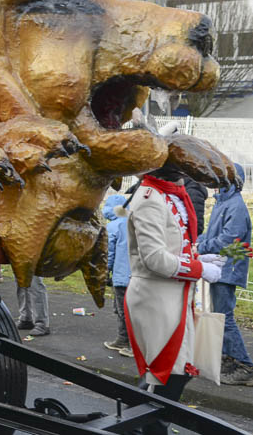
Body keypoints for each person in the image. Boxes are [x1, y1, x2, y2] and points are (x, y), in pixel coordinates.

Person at [125, 166, 227, 435]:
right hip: (156, 297)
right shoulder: (150, 197)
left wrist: (198, 260)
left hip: (176, 295)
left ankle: (139, 427)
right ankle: (145, 429)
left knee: (168, 374)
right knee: (169, 372)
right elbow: (155, 259)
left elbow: (173, 246)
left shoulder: (169, 193)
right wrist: (199, 270)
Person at [198, 165, 253, 385]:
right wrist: (199, 241)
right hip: (219, 267)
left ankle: (244, 365)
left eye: (220, 180)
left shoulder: (235, 206)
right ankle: (229, 359)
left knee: (224, 317)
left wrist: (201, 247)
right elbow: (213, 235)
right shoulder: (224, 203)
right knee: (219, 316)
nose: (215, 184)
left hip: (227, 268)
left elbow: (228, 240)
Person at [102, 193, 133, 357]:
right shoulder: (134, 222)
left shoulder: (113, 226)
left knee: (122, 310)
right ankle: (124, 340)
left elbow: (109, 253)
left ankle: (129, 343)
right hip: (136, 275)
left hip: (121, 276)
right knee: (131, 310)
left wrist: (105, 271)